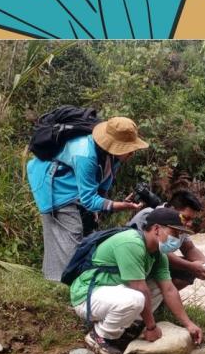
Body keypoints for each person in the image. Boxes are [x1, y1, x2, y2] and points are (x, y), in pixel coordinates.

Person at [69, 208, 204, 354]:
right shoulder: (131, 243)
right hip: (87, 296)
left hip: (111, 293)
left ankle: (128, 325)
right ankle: (100, 335)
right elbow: (140, 289)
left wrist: (189, 324)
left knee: (158, 288)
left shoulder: (158, 254)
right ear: (157, 229)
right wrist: (151, 326)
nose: (178, 239)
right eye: (175, 233)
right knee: (137, 298)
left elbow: (169, 289)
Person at [27, 117, 146, 281]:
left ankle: (63, 281)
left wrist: (98, 208)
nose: (132, 153)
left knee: (87, 234)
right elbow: (89, 199)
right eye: (129, 149)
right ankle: (62, 284)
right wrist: (119, 206)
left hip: (75, 187)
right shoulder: (85, 154)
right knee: (71, 235)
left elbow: (103, 184)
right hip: (54, 186)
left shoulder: (113, 156)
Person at [126, 190, 205, 290]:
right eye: (186, 218)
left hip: (157, 263)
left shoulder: (180, 224)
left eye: (192, 220)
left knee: (188, 271)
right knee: (189, 268)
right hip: (134, 265)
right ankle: (153, 297)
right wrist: (191, 266)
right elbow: (158, 250)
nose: (189, 224)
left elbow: (189, 249)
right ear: (173, 209)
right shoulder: (149, 215)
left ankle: (163, 301)